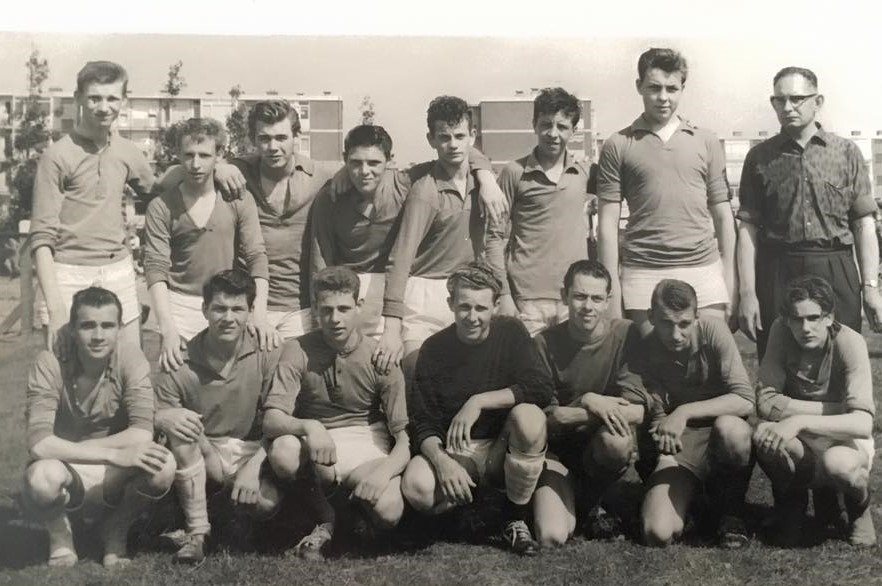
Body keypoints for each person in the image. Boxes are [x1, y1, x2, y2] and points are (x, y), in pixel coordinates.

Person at [30, 61, 246, 350]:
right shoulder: (56, 156)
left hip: (117, 268)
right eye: (94, 98)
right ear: (78, 98)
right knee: (64, 366)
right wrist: (56, 308)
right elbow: (41, 237)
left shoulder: (126, 150)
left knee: (132, 362)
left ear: (123, 100)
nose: (103, 107)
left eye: (112, 98)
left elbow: (158, 191)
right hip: (68, 271)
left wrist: (217, 166)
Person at [400, 261, 553, 556]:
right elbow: (422, 420)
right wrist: (442, 462)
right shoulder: (433, 348)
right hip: (458, 451)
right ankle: (473, 511)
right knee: (417, 486)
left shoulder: (511, 332)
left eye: (481, 308)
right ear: (451, 304)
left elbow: (541, 387)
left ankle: (515, 518)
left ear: (495, 306)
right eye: (464, 307)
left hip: (502, 447)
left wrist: (479, 401)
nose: (472, 317)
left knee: (530, 417)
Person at [262, 266, 410, 559]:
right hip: (318, 440)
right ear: (316, 309)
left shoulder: (379, 354)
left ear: (359, 306)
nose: (335, 319)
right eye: (326, 310)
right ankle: (323, 516)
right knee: (284, 452)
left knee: (389, 511)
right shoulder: (297, 349)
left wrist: (384, 474)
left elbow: (405, 438)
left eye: (344, 308)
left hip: (365, 439)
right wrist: (311, 427)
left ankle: (348, 514)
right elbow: (271, 419)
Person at [21, 286, 175, 567]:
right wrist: (113, 453)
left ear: (120, 328)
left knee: (163, 465)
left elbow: (142, 432)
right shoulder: (49, 362)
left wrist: (83, 450)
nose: (98, 336)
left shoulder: (131, 358)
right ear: (72, 329)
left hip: (107, 470)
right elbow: (39, 444)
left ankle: (115, 530)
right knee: (41, 478)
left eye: (107, 325)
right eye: (88, 325)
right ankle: (61, 535)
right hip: (67, 467)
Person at [737, 66, 882, 360]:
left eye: (797, 98)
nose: (787, 107)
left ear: (818, 101)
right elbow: (748, 230)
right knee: (780, 361)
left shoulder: (846, 153)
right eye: (780, 100)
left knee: (840, 358)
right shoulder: (759, 157)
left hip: (835, 265)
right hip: (778, 268)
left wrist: (870, 288)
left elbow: (863, 225)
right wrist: (748, 293)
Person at [310, 124, 501, 340]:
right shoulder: (330, 196)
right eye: (355, 163)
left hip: (393, 289)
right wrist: (320, 318)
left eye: (374, 163)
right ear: (345, 159)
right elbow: (320, 260)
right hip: (348, 291)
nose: (364, 172)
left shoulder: (403, 184)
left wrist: (486, 178)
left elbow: (457, 154)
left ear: (389, 161)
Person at [596, 48, 736, 331]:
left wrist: (730, 279)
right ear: (639, 86)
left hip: (703, 269)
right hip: (643, 270)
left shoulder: (706, 141)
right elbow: (607, 225)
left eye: (672, 89)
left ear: (682, 88)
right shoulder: (618, 144)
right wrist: (611, 290)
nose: (663, 97)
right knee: (648, 354)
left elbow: (723, 217)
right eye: (654, 88)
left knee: (707, 352)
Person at [153, 269, 283, 563]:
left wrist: (253, 468)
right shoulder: (181, 358)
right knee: (180, 425)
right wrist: (168, 419)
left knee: (266, 504)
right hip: (202, 452)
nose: (228, 318)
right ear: (204, 310)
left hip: (251, 450)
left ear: (250, 311)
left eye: (237, 309)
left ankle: (230, 515)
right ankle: (197, 532)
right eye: (219, 308)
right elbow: (157, 412)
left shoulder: (268, 351)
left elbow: (280, 419)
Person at [375, 97, 503, 379]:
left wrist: (487, 177)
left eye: (460, 136)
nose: (453, 144)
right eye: (444, 137)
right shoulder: (425, 191)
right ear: (431, 140)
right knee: (417, 368)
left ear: (472, 136)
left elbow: (494, 242)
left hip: (467, 291)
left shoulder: (483, 184)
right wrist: (391, 327)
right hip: (425, 292)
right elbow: (400, 259)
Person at [532, 260, 649, 546]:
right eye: (580, 296)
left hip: (599, 446)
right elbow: (551, 419)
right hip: (557, 452)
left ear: (608, 301)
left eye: (597, 298)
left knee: (617, 441)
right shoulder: (544, 343)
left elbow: (636, 411)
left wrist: (582, 411)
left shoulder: (627, 334)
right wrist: (590, 401)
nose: (588, 306)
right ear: (565, 296)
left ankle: (597, 500)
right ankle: (578, 501)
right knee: (551, 535)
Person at [753, 275, 876, 547]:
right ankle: (791, 506)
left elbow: (861, 424)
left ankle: (859, 507)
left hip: (842, 438)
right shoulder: (780, 331)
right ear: (787, 319)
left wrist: (798, 420)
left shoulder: (850, 342)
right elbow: (766, 402)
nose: (805, 328)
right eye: (797, 319)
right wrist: (838, 409)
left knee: (838, 464)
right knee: (764, 435)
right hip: (807, 437)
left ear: (829, 317)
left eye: (813, 318)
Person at [144, 117, 273, 372]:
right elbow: (156, 268)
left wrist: (259, 314)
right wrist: (167, 327)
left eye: (204, 155)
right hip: (179, 305)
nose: (195, 164)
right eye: (188, 155)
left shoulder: (238, 199)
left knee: (230, 380)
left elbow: (256, 256)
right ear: (178, 154)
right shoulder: (161, 206)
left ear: (219, 155)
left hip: (226, 302)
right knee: (177, 379)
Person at [636, 279, 754, 548]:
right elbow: (657, 418)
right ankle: (697, 501)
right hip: (682, 440)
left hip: (720, 428)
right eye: (666, 323)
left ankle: (731, 511)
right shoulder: (645, 347)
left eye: (684, 324)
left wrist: (684, 411)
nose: (676, 334)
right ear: (651, 317)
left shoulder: (714, 330)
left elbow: (745, 399)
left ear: (697, 317)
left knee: (732, 431)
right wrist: (665, 448)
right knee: (657, 532)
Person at [487, 87, 594, 335]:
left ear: (574, 130)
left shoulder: (584, 173)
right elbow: (493, 237)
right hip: (527, 299)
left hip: (574, 297)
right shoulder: (514, 172)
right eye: (546, 124)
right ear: (534, 124)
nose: (553, 134)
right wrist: (504, 294)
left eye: (562, 127)